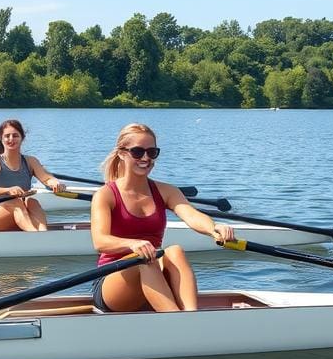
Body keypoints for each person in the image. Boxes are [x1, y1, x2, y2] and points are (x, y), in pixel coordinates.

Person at [90, 123, 234, 313]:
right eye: (138, 152)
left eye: (152, 152)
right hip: (111, 282)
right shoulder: (105, 194)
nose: (146, 158)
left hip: (150, 269)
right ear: (122, 153)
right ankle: (178, 324)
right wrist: (132, 244)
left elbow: (191, 215)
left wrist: (214, 228)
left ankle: (191, 316)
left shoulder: (167, 191)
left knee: (174, 251)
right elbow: (100, 241)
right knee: (143, 259)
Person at [0, 118, 65, 231]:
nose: (11, 139)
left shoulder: (31, 161)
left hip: (21, 208)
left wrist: (55, 183)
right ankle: (35, 235)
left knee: (32, 201)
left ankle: (43, 234)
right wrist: (8, 190)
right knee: (16, 202)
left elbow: (46, 179)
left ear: (22, 138)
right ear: (1, 139)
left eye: (15, 135)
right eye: (7, 136)